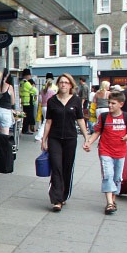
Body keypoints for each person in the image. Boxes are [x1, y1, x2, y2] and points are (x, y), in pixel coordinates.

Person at [84, 91, 127, 214]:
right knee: (108, 175)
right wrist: (89, 142)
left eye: (113, 103)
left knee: (117, 178)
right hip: (105, 150)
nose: (110, 105)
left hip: (120, 152)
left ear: (121, 104)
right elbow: (97, 131)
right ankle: (109, 202)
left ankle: (112, 200)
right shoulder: (103, 116)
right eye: (109, 103)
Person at [41, 73, 90, 212]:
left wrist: (86, 137)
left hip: (70, 139)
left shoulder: (76, 100)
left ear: (71, 85)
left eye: (66, 82)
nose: (63, 84)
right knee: (56, 167)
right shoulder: (52, 101)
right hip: (54, 138)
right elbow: (48, 121)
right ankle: (56, 200)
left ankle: (63, 195)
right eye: (61, 82)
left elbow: (80, 120)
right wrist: (44, 139)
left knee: (67, 168)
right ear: (58, 84)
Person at [34, 78, 56, 142]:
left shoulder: (42, 91)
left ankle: (44, 135)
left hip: (43, 107)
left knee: (46, 121)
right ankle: (39, 136)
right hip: (49, 107)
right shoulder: (52, 92)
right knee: (46, 122)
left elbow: (40, 99)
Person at [0, 69, 15, 136]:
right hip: (5, 111)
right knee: (5, 135)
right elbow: (12, 102)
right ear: (7, 76)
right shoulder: (9, 87)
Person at [19, 70, 37, 134]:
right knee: (28, 116)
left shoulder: (21, 82)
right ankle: (26, 130)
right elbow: (35, 91)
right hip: (28, 101)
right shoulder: (26, 83)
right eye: (29, 75)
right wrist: (33, 87)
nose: (30, 76)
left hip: (24, 101)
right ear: (27, 75)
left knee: (25, 116)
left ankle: (26, 129)